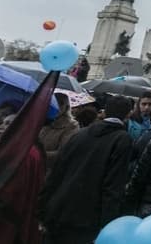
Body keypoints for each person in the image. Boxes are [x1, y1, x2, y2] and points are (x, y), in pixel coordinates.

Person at [39, 95, 134, 244]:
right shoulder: (122, 140)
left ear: (104, 112)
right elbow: (113, 185)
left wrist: (42, 208)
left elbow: (57, 171)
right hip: (86, 218)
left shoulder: (80, 134)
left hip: (59, 209)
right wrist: (107, 226)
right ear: (129, 114)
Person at [38, 93, 80, 172]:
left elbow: (63, 153)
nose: (57, 106)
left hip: (51, 172)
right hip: (35, 166)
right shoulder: (42, 121)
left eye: (61, 103)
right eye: (53, 102)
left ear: (66, 107)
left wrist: (38, 154)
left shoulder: (71, 126)